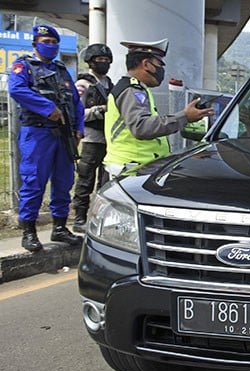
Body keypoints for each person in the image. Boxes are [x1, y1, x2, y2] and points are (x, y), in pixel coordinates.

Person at [8, 24, 85, 252]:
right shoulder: (24, 66)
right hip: (38, 133)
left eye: (53, 43)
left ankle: (59, 228)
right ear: (35, 44)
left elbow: (75, 103)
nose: (50, 46)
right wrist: (47, 108)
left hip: (64, 135)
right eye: (45, 42)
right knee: (34, 181)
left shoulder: (62, 71)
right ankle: (29, 231)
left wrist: (79, 128)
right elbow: (17, 90)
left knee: (64, 181)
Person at [103, 39, 213, 177]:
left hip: (137, 168)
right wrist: (184, 116)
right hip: (130, 171)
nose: (162, 71)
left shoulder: (137, 89)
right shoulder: (132, 90)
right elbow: (141, 127)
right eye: (159, 64)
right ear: (146, 64)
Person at [72, 43, 113, 232]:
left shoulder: (109, 84)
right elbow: (78, 112)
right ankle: (79, 219)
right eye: (99, 60)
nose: (103, 63)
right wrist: (100, 110)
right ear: (90, 62)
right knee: (85, 180)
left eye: (106, 60)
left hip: (108, 140)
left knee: (105, 183)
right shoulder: (82, 85)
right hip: (90, 139)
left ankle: (99, 219)